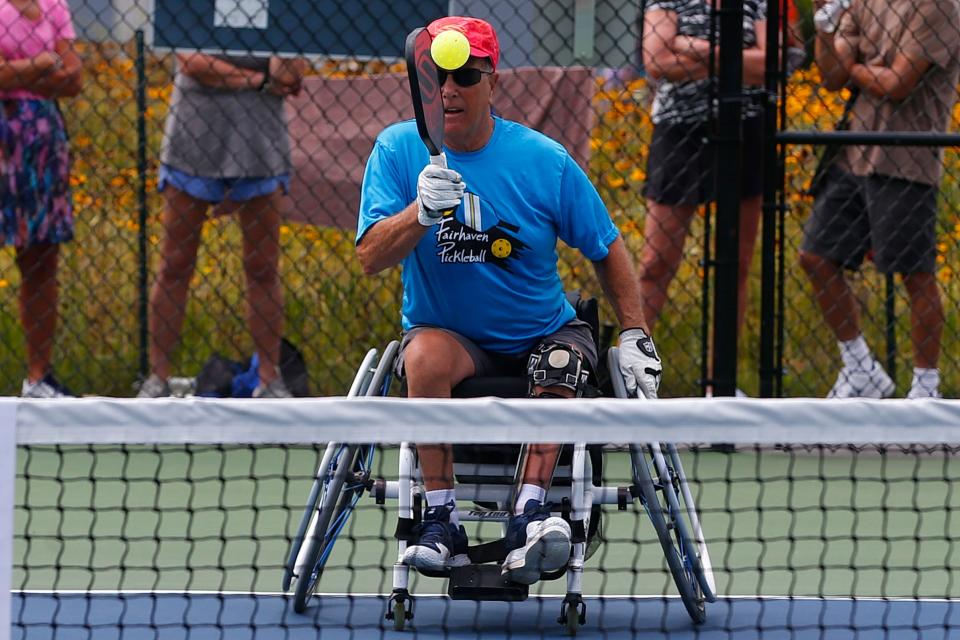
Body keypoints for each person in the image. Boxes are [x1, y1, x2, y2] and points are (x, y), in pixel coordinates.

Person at [356, 16, 661, 584]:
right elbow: (371, 255)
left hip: (541, 332)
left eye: (466, 76)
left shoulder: (543, 160)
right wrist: (419, 213)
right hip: (452, 338)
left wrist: (634, 332)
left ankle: (530, 515)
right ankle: (441, 520)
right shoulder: (398, 151)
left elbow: (606, 246)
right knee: (419, 358)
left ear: (492, 81)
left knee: (566, 359)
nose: (450, 89)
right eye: (440, 76)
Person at [799, 0, 959, 399]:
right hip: (853, 153)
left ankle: (926, 387)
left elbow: (898, 84)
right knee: (816, 257)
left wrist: (853, 65)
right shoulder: (863, 1)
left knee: (915, 274)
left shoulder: (938, 5)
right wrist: (825, 29)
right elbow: (833, 76)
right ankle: (859, 368)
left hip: (907, 158)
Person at [138, 53, 306, 398]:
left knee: (262, 267)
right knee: (175, 263)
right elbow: (193, 63)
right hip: (194, 134)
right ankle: (157, 380)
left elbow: (288, 77)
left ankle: (269, 380)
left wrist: (275, 67)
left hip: (261, 141)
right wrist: (258, 81)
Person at [639, 0, 768, 396]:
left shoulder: (755, 3)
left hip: (746, 132)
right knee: (656, 263)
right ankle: (632, 377)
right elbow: (657, 62)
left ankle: (721, 387)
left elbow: (767, 66)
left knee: (736, 265)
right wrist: (731, 62)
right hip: (679, 133)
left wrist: (692, 47)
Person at [0, 0, 82, 398]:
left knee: (41, 258)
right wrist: (42, 64)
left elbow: (73, 78)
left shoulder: (55, 6)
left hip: (45, 142)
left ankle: (38, 378)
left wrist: (16, 74)